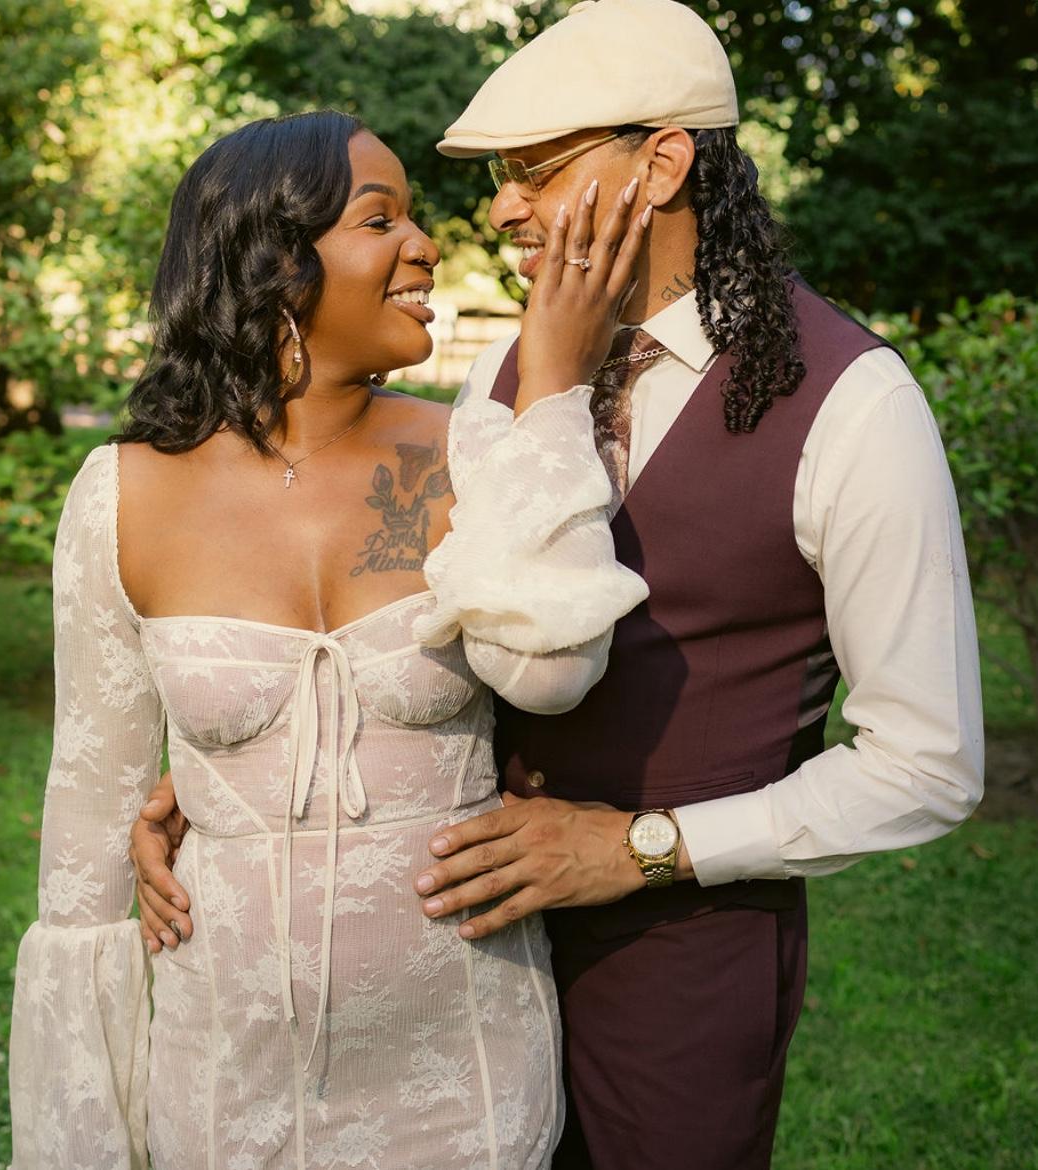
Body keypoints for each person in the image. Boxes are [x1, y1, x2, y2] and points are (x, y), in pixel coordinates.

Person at [131, 2, 984, 1167]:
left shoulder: (855, 404)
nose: (500, 211)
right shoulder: (497, 373)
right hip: (456, 961)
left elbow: (928, 765)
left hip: (678, 968)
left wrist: (640, 846)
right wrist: (256, 766)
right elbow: (435, 616)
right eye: (501, 180)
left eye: (536, 172)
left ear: (663, 164)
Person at [7, 110, 655, 1168]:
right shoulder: (122, 496)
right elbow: (85, 840)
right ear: (274, 263)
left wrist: (551, 388)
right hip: (225, 1081)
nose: (427, 244)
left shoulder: (472, 452)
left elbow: (552, 670)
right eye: (380, 219)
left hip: (465, 1071)